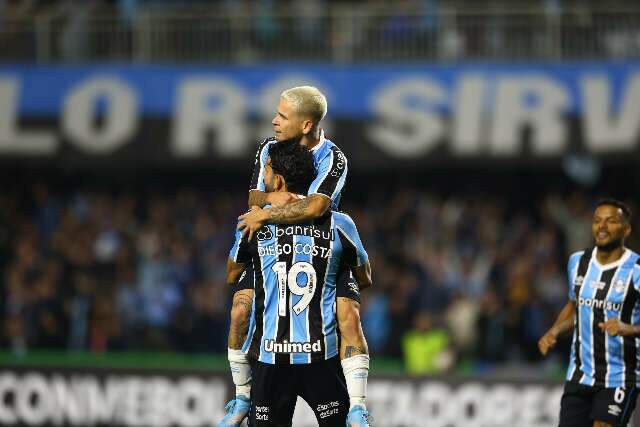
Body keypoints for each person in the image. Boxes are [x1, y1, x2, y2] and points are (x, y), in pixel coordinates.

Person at [221, 86, 370, 426]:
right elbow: (256, 200)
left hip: (324, 246)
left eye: (282, 116)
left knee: (347, 312)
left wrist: (277, 208)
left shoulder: (334, 158)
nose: (274, 121)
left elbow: (318, 207)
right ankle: (242, 396)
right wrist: (282, 203)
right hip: (276, 245)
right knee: (240, 307)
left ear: (305, 125)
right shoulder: (267, 149)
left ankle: (358, 405)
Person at [539, 199, 640, 427]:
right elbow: (574, 305)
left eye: (611, 221)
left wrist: (629, 328)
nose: (602, 226)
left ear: (626, 229)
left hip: (619, 376)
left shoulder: (636, 270)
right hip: (580, 375)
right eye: (597, 221)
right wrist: (554, 330)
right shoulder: (578, 262)